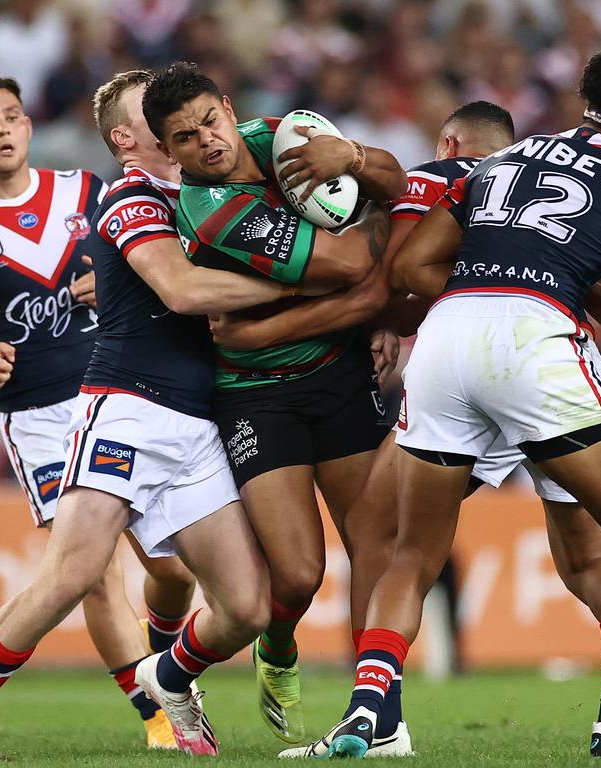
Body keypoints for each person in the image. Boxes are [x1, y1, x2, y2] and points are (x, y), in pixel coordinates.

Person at [0, 67, 336, 761]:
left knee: (247, 608)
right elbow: (185, 289)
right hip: (126, 408)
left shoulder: (204, 192)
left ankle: (165, 679)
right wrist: (309, 276)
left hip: (198, 422)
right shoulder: (132, 195)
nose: (177, 124)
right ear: (127, 139)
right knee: (75, 575)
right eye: (157, 116)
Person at [216, 101, 601, 757]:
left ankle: (377, 716)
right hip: (559, 362)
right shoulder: (544, 179)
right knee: (591, 561)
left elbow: (389, 284)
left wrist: (286, 329)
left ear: (449, 140)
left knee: (380, 530)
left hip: (465, 363)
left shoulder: (436, 179)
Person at [305, 50, 601, 759]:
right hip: (537, 344)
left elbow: (410, 267)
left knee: (411, 551)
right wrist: (582, 291)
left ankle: (371, 713)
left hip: (447, 343)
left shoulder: (500, 162)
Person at [0, 72, 197, 751]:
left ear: (29, 126)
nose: (1, 129)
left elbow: (146, 257)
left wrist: (113, 280)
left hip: (121, 395)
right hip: (37, 414)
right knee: (89, 576)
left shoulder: (87, 193)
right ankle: (158, 721)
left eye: (12, 116)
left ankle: (168, 673)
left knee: (173, 573)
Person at [141, 61, 406, 744]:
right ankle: (276, 644)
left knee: (374, 543)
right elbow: (353, 265)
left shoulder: (283, 137)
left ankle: (372, 717)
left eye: (209, 120)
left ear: (228, 108)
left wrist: (354, 158)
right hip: (258, 396)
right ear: (167, 153)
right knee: (296, 574)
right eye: (185, 137)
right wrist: (378, 272)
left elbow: (395, 188)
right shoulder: (211, 211)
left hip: (338, 372)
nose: (206, 140)